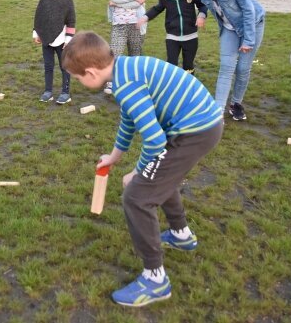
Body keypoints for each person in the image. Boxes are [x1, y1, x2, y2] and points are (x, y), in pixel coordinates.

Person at [62, 31, 223, 307]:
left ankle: (155, 279)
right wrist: (114, 157)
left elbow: (155, 140)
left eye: (78, 79)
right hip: (201, 125)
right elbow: (129, 120)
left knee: (137, 196)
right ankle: (181, 235)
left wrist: (138, 171)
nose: (79, 83)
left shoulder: (125, 85)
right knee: (159, 178)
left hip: (195, 131)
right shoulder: (125, 70)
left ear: (90, 72)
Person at [194, 0, 265, 121]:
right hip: (229, 28)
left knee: (242, 69)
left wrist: (248, 39)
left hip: (253, 25)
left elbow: (248, 9)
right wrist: (202, 15)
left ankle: (235, 104)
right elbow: (213, 7)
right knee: (226, 67)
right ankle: (217, 112)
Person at [137, 0, 207, 74]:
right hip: (172, 37)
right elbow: (157, 9)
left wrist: (201, 15)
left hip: (191, 36)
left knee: (188, 64)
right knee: (171, 63)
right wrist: (145, 17)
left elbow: (202, 5)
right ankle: (172, 86)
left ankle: (188, 85)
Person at [103, 0, 150, 95]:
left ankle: (136, 81)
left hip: (136, 25)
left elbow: (137, 4)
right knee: (115, 53)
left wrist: (117, 3)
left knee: (135, 54)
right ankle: (111, 81)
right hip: (119, 26)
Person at [33, 0, 76, 104]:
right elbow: (38, 16)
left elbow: (71, 21)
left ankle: (65, 92)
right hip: (46, 38)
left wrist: (68, 39)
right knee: (48, 66)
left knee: (64, 66)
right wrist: (36, 33)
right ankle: (48, 91)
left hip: (62, 40)